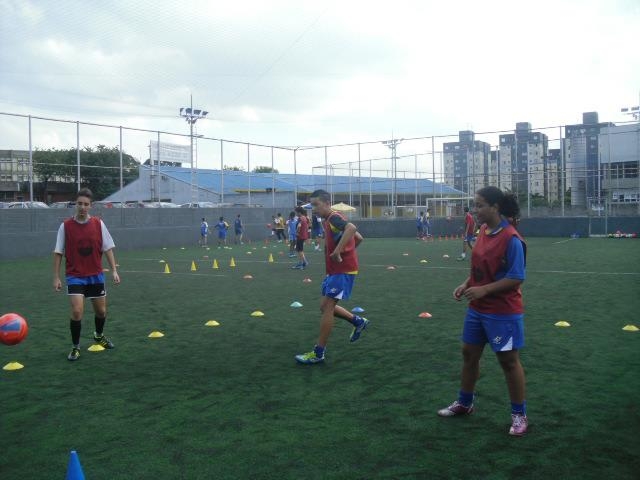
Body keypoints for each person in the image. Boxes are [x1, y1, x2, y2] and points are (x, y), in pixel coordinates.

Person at [437, 186, 528, 436]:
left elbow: (517, 277)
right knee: (469, 354)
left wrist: (484, 290)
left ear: (495, 207)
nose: (475, 210)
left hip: (503, 311)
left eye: (479, 205)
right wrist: (466, 284)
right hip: (477, 308)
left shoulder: (512, 239)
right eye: (474, 205)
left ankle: (519, 415)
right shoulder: (484, 231)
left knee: (508, 362)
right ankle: (465, 403)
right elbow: (478, 267)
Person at [295, 189, 369, 364]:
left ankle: (318, 352)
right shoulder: (330, 220)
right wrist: (345, 252)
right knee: (324, 307)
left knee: (327, 308)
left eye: (316, 205)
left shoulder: (334, 217)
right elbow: (358, 238)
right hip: (336, 270)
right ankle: (358, 321)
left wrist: (338, 252)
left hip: (341, 271)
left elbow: (352, 228)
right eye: (312, 205)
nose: (314, 209)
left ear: (327, 203)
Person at [53, 188, 121, 361]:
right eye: (79, 204)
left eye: (86, 204)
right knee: (77, 312)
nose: (82, 207)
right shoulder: (65, 226)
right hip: (75, 275)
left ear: (90, 206)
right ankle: (75, 347)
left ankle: (99, 336)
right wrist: (56, 276)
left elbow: (108, 248)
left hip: (95, 275)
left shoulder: (98, 224)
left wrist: (114, 270)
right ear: (75, 204)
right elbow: (58, 252)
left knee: (101, 311)